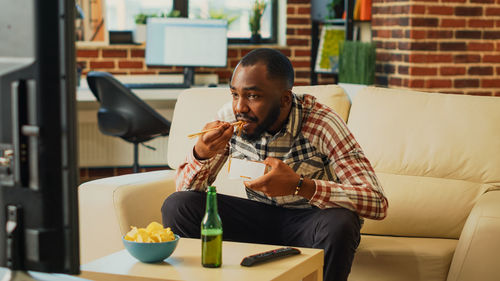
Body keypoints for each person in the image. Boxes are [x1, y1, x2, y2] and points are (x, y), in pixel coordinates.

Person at [162, 48, 388, 281]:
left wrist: (300, 186)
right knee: (178, 206)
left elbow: (377, 201)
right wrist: (201, 154)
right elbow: (186, 190)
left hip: (309, 222)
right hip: (258, 219)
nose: (240, 107)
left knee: (341, 222)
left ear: (284, 99)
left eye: (253, 96)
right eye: (235, 94)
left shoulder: (321, 123)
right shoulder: (231, 117)